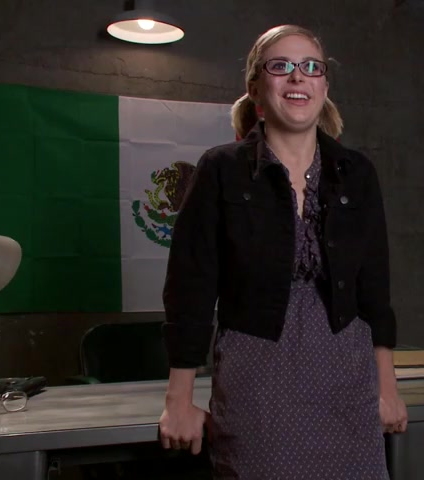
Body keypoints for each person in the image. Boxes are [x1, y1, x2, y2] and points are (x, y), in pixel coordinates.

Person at [157, 24, 407, 479]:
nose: (298, 77)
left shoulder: (357, 173)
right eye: (281, 66)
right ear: (256, 87)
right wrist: (179, 401)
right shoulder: (220, 169)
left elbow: (375, 291)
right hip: (257, 381)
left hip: (348, 381)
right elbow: (190, 289)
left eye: (311, 67)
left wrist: (386, 388)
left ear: (324, 87)